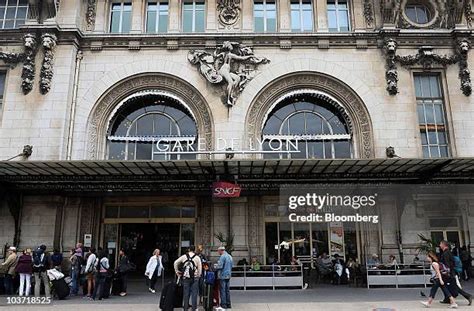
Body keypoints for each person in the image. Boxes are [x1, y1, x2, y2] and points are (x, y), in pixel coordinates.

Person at [439, 240, 472, 306]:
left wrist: (445, 272)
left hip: (449, 273)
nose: (439, 245)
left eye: (440, 244)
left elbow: (447, 264)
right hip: (451, 272)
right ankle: (447, 298)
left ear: (444, 245)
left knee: (452, 287)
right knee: (446, 285)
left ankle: (468, 296)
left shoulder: (445, 253)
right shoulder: (449, 252)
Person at [174, 245, 202, 311]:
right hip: (194, 277)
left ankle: (185, 308)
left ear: (189, 249)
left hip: (186, 277)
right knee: (194, 294)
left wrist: (177, 271)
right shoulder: (197, 257)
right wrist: (198, 275)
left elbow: (175, 262)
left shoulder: (184, 256)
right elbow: (200, 268)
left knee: (186, 293)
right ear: (194, 250)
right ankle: (194, 308)